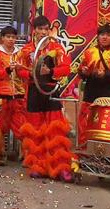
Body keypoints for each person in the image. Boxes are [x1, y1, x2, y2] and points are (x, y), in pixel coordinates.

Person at [18, 17, 74, 180]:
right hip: (34, 92)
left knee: (55, 130)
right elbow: (20, 71)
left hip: (51, 91)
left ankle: (61, 167)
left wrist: (50, 72)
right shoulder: (27, 50)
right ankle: (38, 166)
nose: (43, 32)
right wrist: (33, 73)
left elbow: (66, 68)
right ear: (33, 30)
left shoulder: (57, 48)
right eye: (40, 29)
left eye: (46, 29)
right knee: (36, 131)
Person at [0, 25, 28, 164]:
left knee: (21, 126)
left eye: (13, 37)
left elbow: (24, 74)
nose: (11, 40)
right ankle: (0, 153)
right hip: (1, 95)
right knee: (0, 126)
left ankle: (26, 155)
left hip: (18, 94)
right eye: (8, 37)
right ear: (2, 38)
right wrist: (7, 70)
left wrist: (21, 70)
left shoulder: (21, 54)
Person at [75, 24, 110, 131]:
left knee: (106, 121)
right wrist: (83, 72)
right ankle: (84, 144)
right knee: (86, 120)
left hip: (109, 93)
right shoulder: (89, 52)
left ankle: (105, 145)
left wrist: (106, 74)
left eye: (108, 35)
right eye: (102, 34)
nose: (104, 37)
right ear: (98, 37)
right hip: (91, 92)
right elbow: (81, 71)